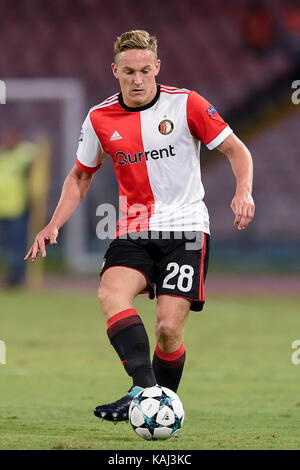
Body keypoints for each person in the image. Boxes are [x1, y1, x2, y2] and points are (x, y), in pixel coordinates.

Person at [25, 30, 255, 423]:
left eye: (145, 70)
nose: (137, 79)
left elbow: (237, 149)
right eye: (128, 71)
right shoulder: (99, 117)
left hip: (186, 228)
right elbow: (80, 176)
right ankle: (150, 397)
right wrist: (53, 223)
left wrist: (244, 192)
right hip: (133, 228)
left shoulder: (187, 104)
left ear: (157, 68)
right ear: (115, 70)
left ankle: (148, 398)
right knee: (110, 295)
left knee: (168, 328)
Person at [0, 128, 37, 287]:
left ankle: (18, 276)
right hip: (3, 208)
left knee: (17, 245)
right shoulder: (4, 156)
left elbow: (33, 152)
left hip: (16, 208)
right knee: (8, 245)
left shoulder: (22, 154)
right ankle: (12, 274)